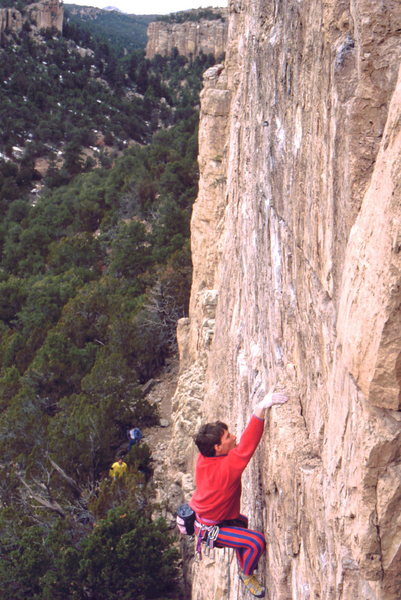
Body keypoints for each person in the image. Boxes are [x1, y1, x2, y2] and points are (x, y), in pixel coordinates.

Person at [189, 389, 288, 598]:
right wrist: (261, 408)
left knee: (241, 523)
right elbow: (247, 445)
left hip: (211, 520)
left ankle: (241, 554)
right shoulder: (225, 470)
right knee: (255, 542)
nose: (233, 436)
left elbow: (237, 448)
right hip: (210, 529)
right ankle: (246, 574)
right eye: (227, 436)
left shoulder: (204, 459)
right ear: (217, 447)